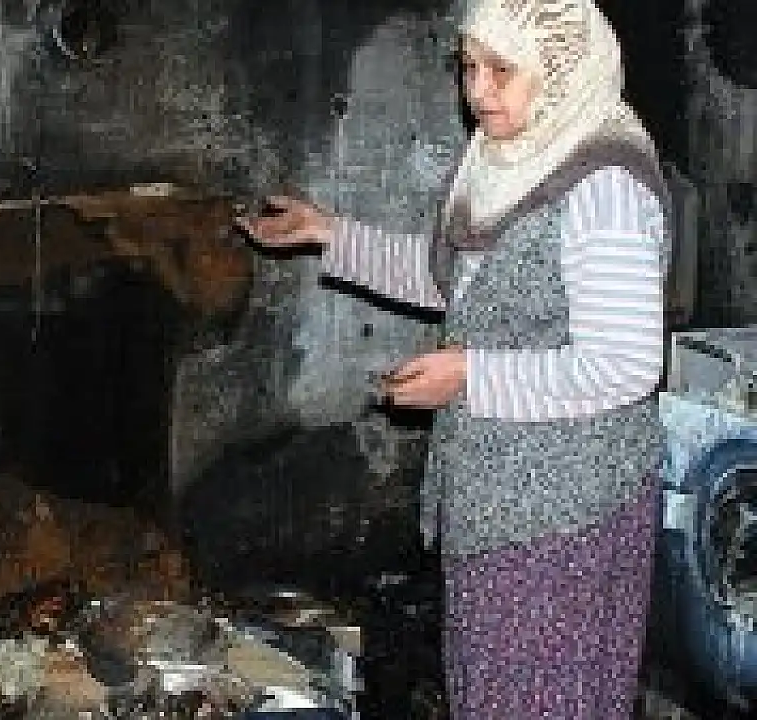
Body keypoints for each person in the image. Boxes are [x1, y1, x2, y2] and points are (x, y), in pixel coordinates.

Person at [237, 0, 669, 717]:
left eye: (502, 70)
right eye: (469, 67)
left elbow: (624, 364)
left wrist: (469, 375)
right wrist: (327, 233)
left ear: (561, 72)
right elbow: (458, 280)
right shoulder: (508, 159)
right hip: (500, 499)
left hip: (565, 514)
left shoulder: (605, 188)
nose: (478, 90)